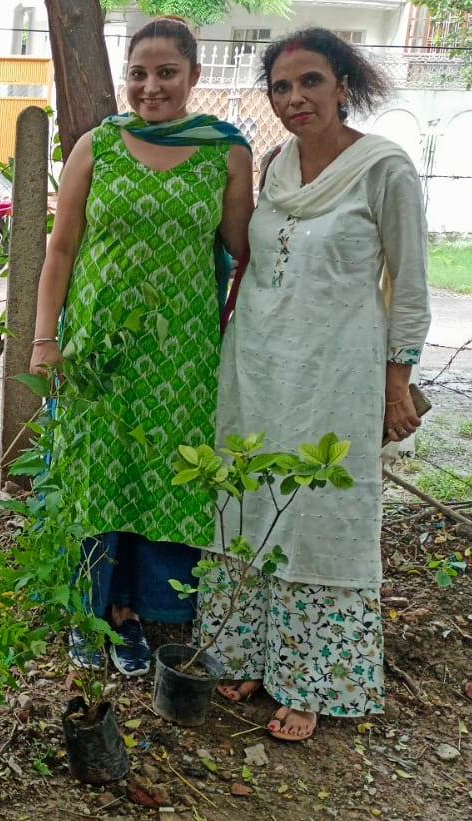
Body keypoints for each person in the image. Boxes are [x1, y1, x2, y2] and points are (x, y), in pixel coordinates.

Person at [200, 28, 430, 742]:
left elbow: (410, 284)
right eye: (280, 86)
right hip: (257, 366)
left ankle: (311, 679)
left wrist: (397, 381)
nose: (294, 98)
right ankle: (244, 652)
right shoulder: (274, 165)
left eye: (309, 82)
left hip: (336, 372)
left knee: (320, 509)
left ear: (342, 84)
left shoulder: (383, 168)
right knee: (249, 498)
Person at [30, 17, 253, 677]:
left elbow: (245, 250)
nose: (149, 86)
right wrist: (45, 338)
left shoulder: (224, 152)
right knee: (93, 475)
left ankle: (135, 614)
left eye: (165, 73)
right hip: (95, 349)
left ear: (193, 77)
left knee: (161, 478)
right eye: (138, 73)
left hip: (181, 359)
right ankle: (85, 612)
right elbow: (61, 249)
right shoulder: (98, 145)